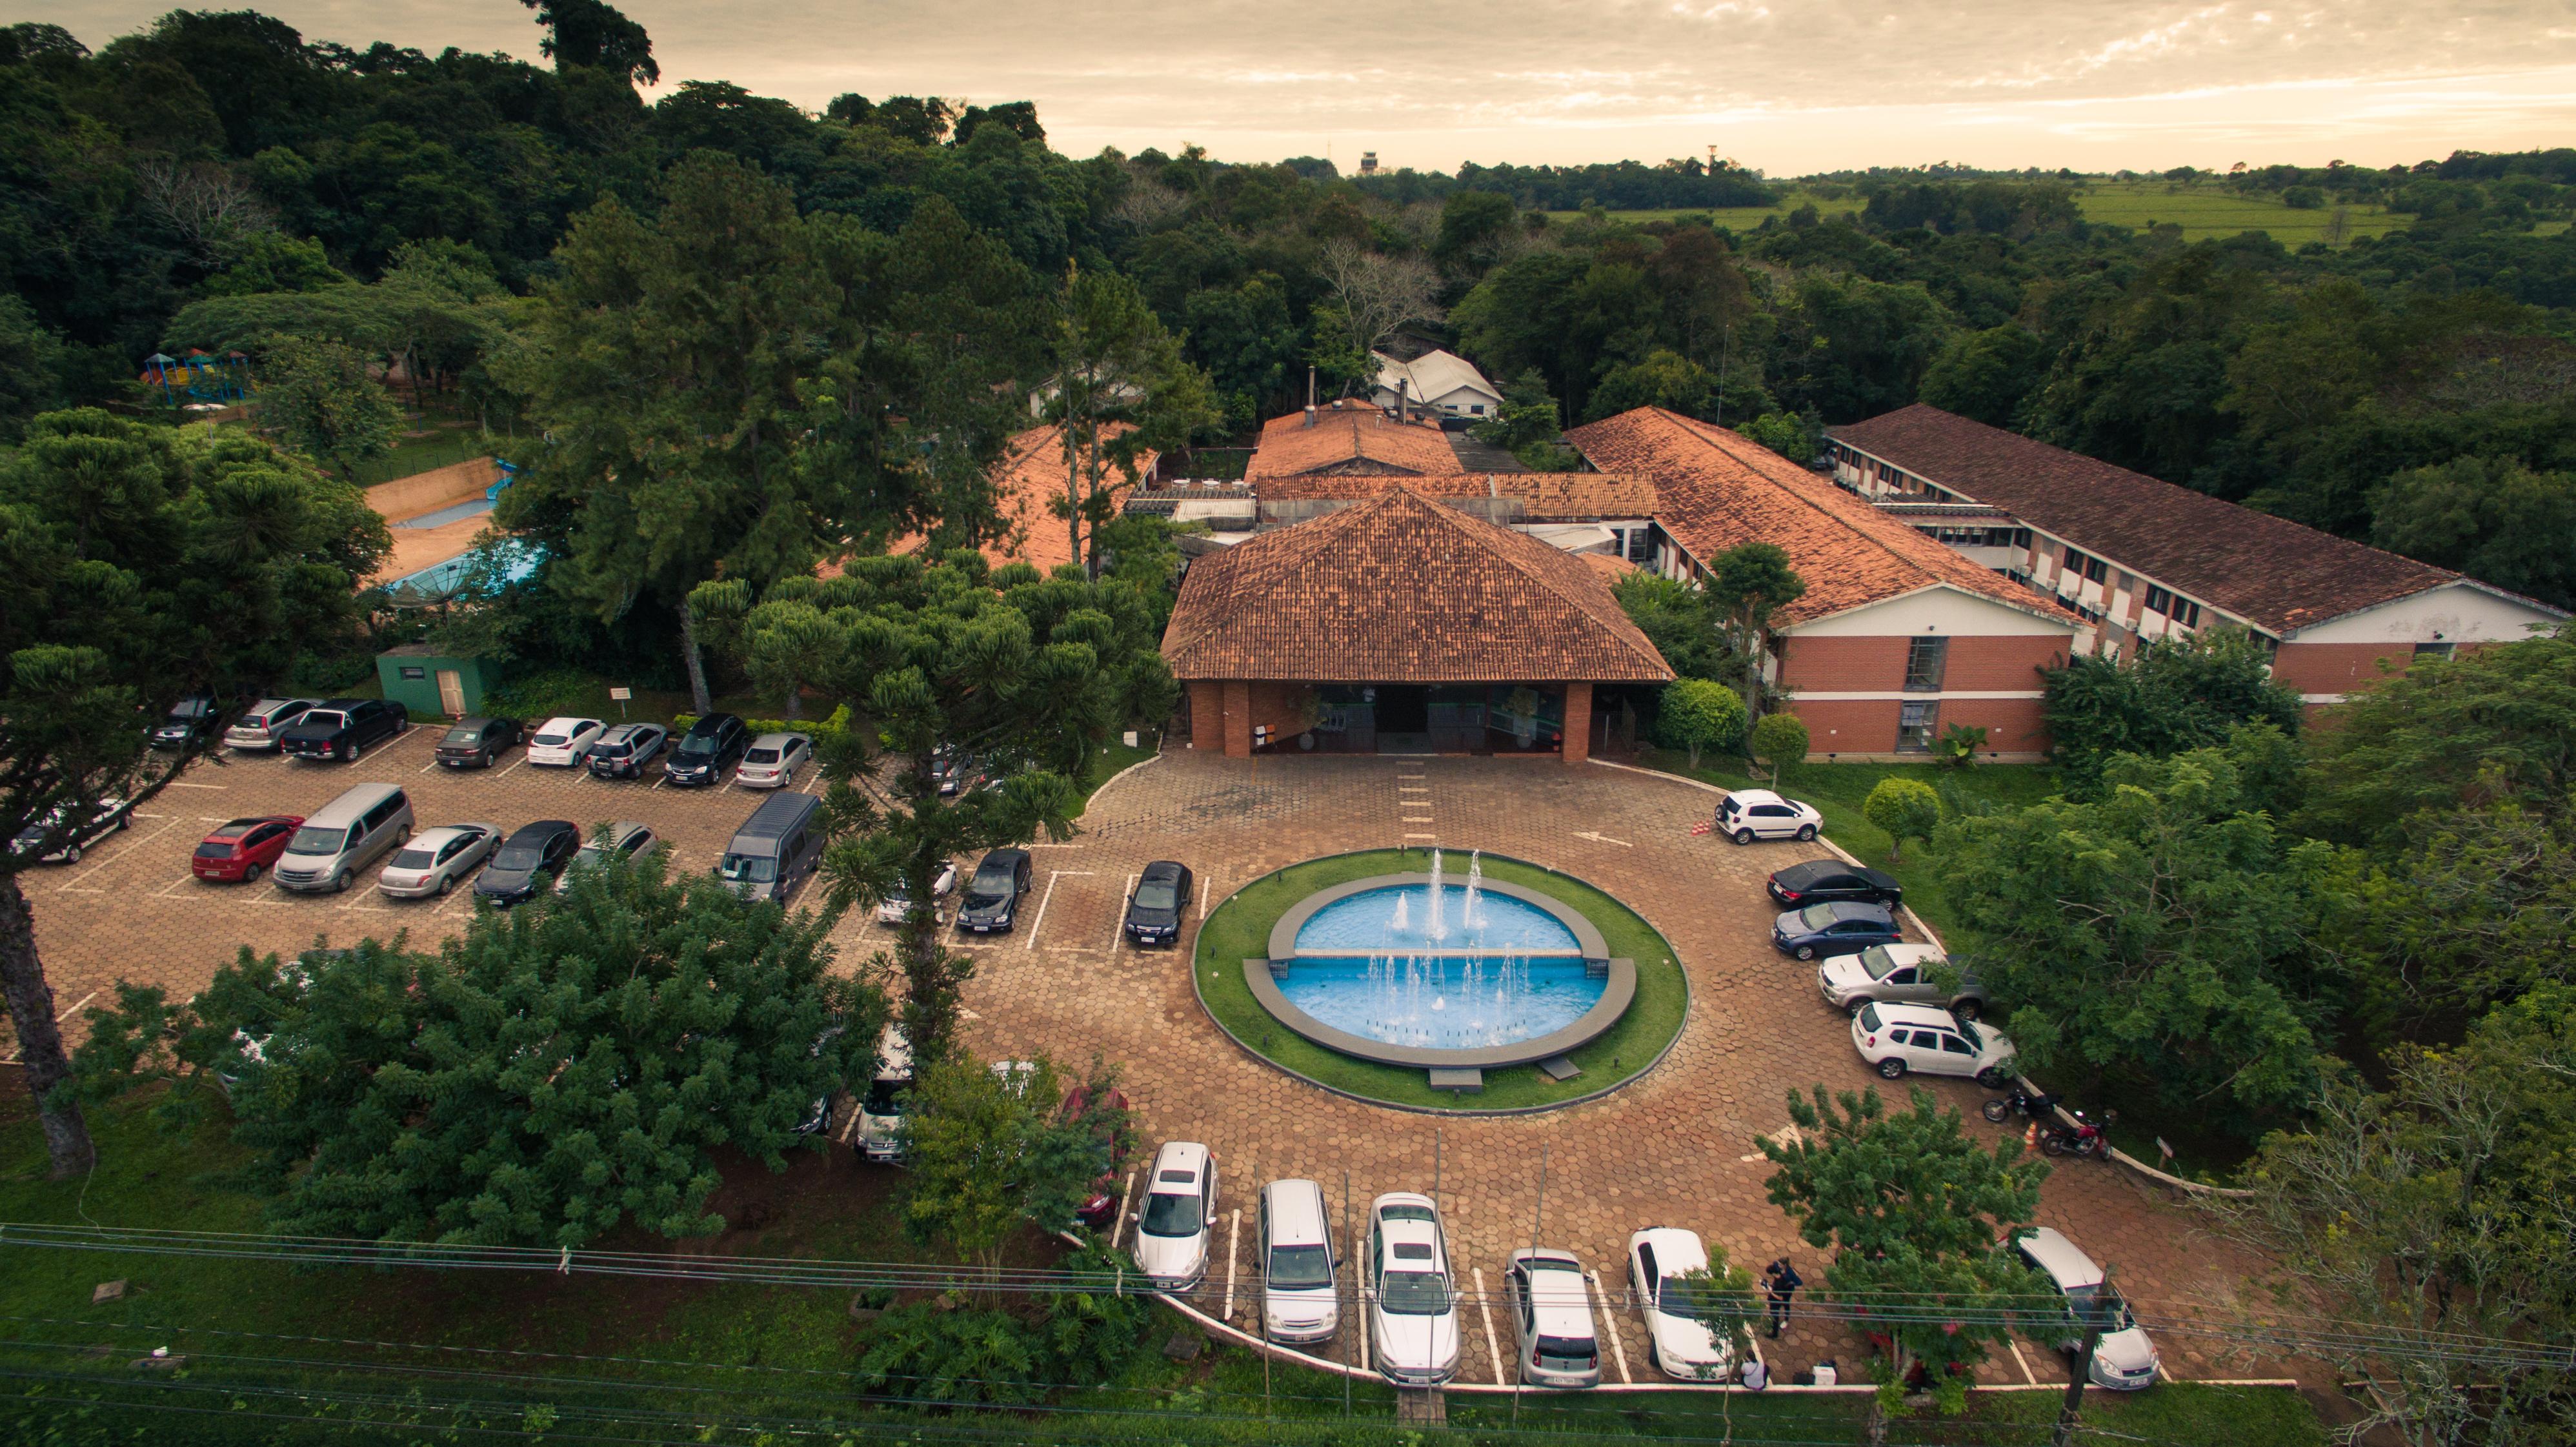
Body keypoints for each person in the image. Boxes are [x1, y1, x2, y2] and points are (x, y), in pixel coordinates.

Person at [1762, 1257, 1804, 1338]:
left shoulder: (1790, 1273)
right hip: (1780, 1288)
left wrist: (1791, 1283)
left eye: (1780, 1264)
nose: (1778, 1265)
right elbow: (1774, 1265)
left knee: (1786, 1305)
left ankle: (1786, 1320)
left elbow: (1799, 1282)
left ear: (1785, 1265)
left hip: (1786, 1292)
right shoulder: (1777, 1267)